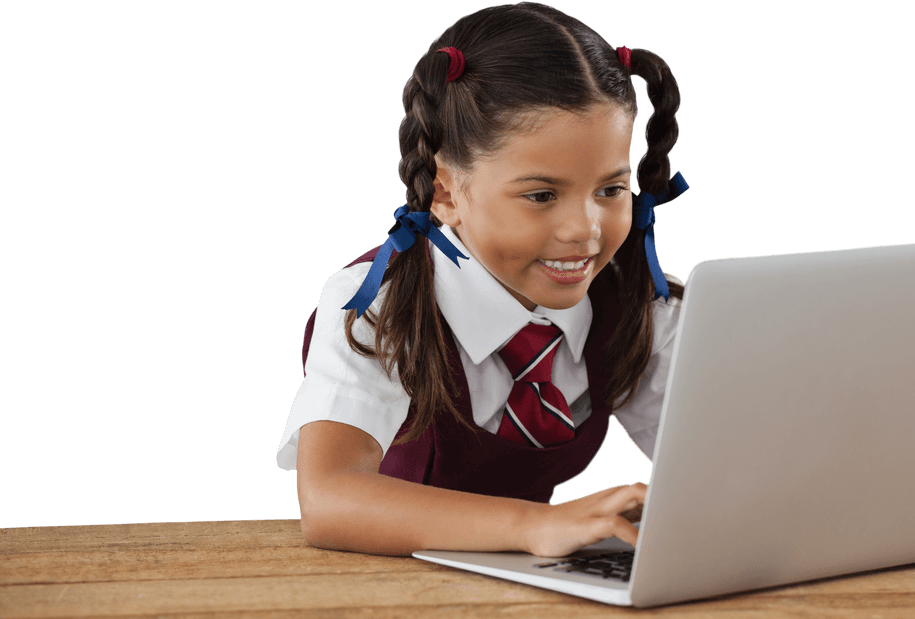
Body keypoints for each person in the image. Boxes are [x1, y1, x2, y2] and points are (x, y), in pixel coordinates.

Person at [276, 1, 690, 558]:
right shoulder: (378, 300)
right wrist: (535, 527)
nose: (585, 230)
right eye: (542, 195)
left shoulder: (637, 302)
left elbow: (723, 461)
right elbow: (329, 500)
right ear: (444, 192)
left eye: (610, 190)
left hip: (534, 587)